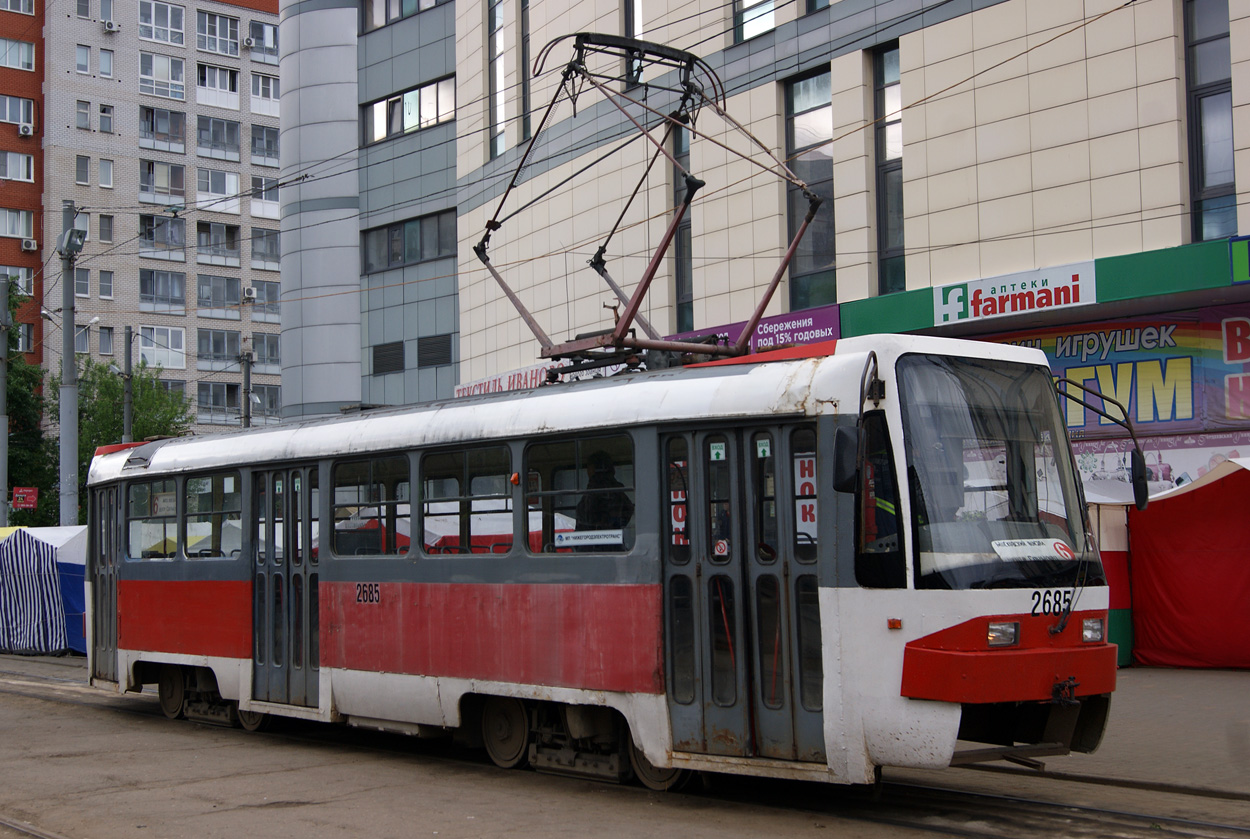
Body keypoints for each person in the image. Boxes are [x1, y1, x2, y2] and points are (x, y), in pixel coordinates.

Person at [575, 450, 634, 534]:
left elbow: (586, 515)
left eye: (588, 467)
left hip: (594, 541)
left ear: (593, 468)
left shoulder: (594, 487)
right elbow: (628, 509)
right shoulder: (617, 490)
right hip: (613, 539)